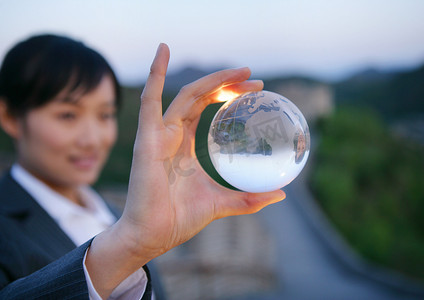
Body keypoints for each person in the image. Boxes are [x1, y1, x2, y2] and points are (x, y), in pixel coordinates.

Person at [0, 34, 285, 299]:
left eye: (105, 115)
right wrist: (129, 247)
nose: (92, 139)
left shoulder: (114, 214)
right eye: (67, 115)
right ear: (11, 117)